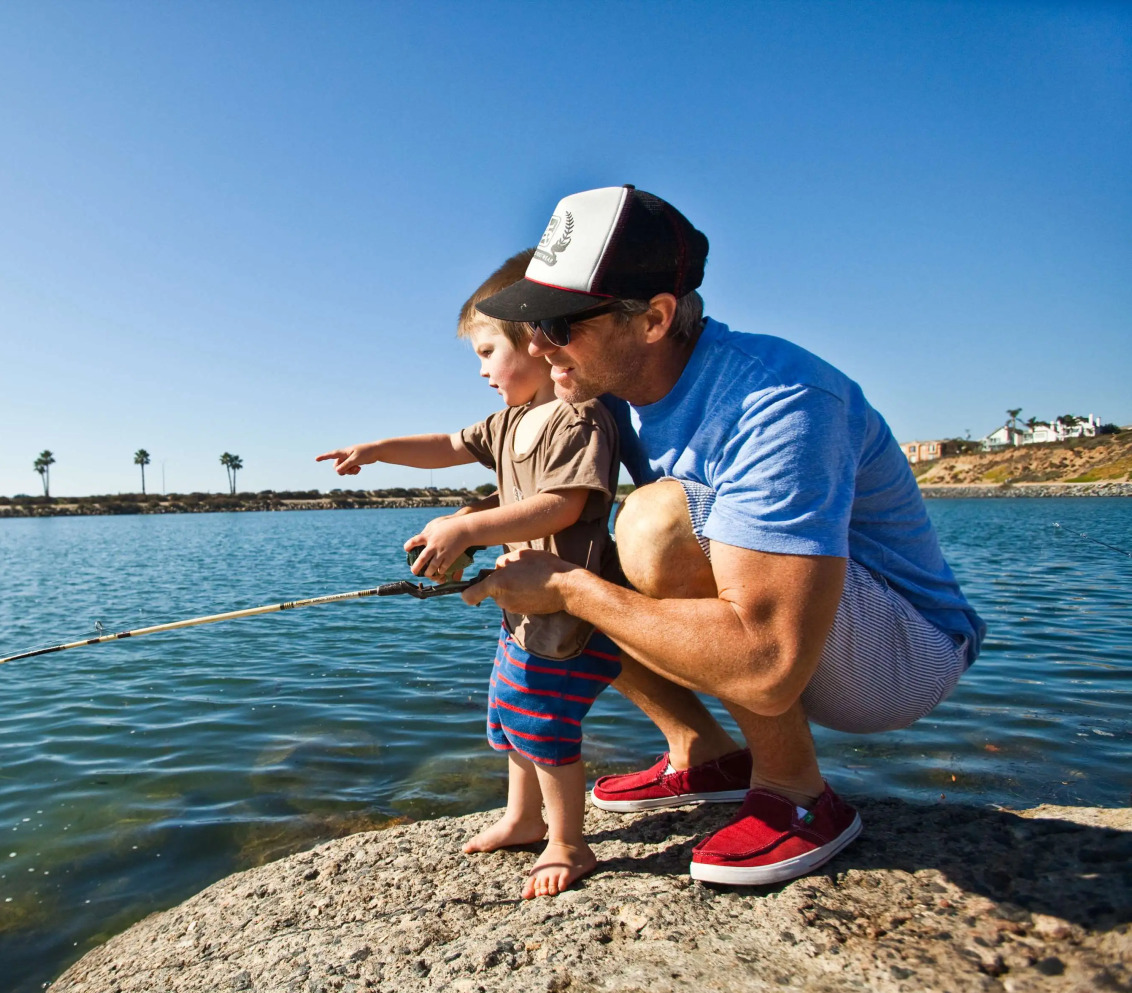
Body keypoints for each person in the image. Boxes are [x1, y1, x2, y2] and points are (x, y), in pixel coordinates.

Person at [465, 185, 985, 886]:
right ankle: (702, 752)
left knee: (650, 528)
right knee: (593, 549)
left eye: (559, 324)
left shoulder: (780, 399)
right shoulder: (607, 387)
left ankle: (797, 794)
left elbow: (769, 667)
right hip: (802, 626)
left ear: (653, 318)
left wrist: (567, 588)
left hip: (898, 657)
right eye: (530, 324)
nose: (536, 345)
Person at [317, 251, 623, 899]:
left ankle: (570, 841)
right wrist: (375, 451)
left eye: (487, 351)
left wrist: (468, 529)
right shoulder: (508, 421)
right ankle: (522, 817)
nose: (482, 369)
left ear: (538, 343)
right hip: (525, 607)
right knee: (509, 713)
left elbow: (565, 504)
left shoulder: (578, 418)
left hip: (571, 608)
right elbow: (445, 446)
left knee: (544, 718)